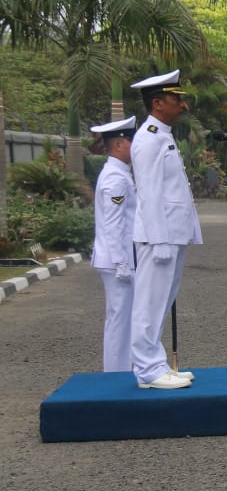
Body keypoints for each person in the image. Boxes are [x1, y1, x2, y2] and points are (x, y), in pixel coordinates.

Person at [127, 69, 201, 390]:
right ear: (157, 103)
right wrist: (158, 240)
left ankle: (155, 364)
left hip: (172, 233)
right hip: (159, 236)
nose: (182, 106)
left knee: (161, 301)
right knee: (149, 302)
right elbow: (149, 192)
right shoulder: (147, 138)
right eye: (176, 99)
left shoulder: (163, 135)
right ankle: (146, 369)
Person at [90, 117, 138, 373]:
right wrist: (121, 262)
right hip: (116, 260)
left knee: (124, 318)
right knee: (119, 319)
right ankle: (115, 374)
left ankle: (123, 369)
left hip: (119, 258)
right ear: (119, 144)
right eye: (131, 141)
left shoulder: (119, 173)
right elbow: (113, 223)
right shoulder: (115, 178)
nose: (135, 145)